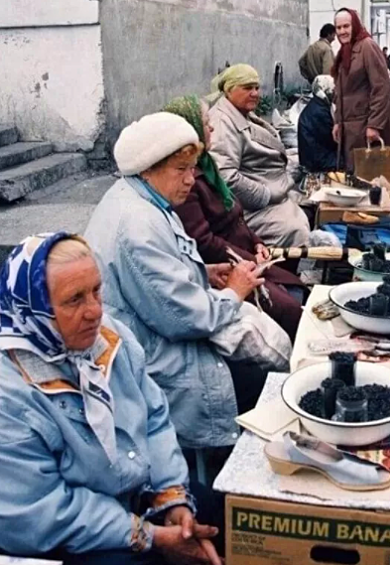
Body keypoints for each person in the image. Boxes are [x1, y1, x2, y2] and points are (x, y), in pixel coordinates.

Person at [0, 233, 223, 564]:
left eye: (95, 291)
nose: (94, 311)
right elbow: (39, 512)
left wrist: (172, 499)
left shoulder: (108, 336)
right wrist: (152, 537)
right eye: (74, 300)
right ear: (33, 309)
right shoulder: (10, 395)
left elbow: (155, 418)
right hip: (62, 534)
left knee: (218, 513)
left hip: (132, 492)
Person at [84, 112, 273, 451]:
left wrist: (204, 273)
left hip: (148, 335)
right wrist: (235, 292)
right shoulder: (137, 224)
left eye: (192, 168)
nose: (190, 179)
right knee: (265, 379)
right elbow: (187, 318)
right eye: (181, 170)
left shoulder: (140, 197)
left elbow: (161, 283)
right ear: (148, 168)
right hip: (150, 358)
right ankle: (229, 475)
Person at [163, 94, 303, 341]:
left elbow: (236, 215)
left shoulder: (207, 165)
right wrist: (252, 260)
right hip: (227, 267)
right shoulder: (187, 183)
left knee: (298, 288)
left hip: (244, 253)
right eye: (206, 123)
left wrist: (258, 242)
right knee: (290, 307)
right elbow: (204, 243)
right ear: (190, 128)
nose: (212, 127)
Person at [209, 64, 311, 247]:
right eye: (248, 88)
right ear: (229, 90)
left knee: (307, 211)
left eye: (257, 87)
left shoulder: (240, 113)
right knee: (295, 230)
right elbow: (225, 176)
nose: (255, 93)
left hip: (270, 193)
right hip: (247, 208)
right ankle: (277, 272)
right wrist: (266, 195)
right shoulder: (222, 123)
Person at [331, 8, 390, 172]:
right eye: (338, 27)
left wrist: (374, 125)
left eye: (346, 26)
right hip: (351, 128)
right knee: (358, 176)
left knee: (373, 177)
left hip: (365, 126)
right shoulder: (344, 52)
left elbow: (382, 88)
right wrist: (337, 122)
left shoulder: (367, 46)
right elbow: (341, 93)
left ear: (354, 25)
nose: (342, 31)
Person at [298, 75, 338, 173]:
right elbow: (332, 139)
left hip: (313, 157)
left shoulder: (318, 104)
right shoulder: (319, 111)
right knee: (352, 162)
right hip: (317, 161)